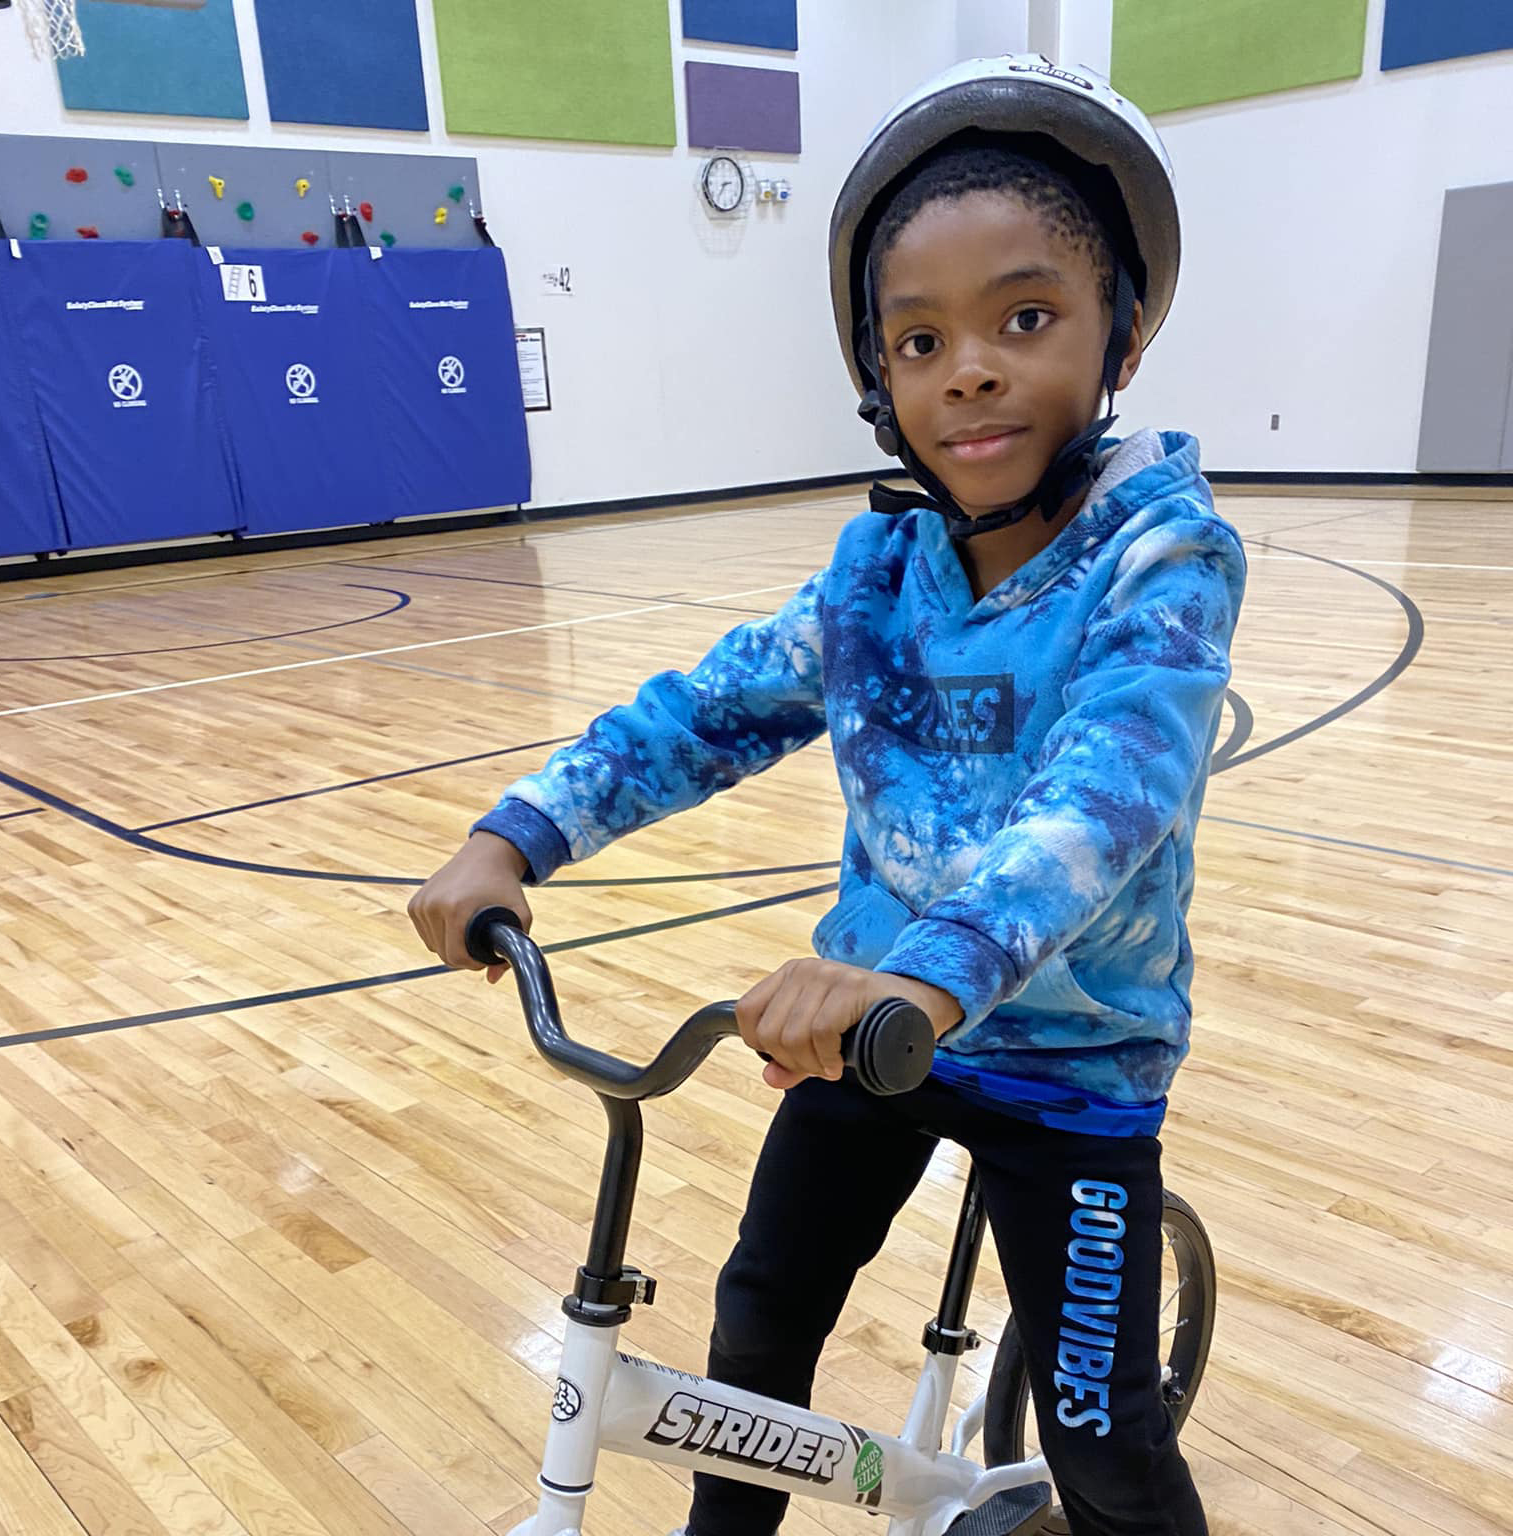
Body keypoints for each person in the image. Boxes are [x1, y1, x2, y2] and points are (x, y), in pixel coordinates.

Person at [409, 54, 1245, 1536]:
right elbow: (707, 710)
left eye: (1026, 317)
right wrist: (512, 835)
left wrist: (923, 983)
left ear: (1120, 337)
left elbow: (1102, 808)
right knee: (756, 1323)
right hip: (882, 1030)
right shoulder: (876, 578)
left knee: (1106, 1447)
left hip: (1072, 1063)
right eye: (920, 340)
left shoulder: (1158, 557)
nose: (970, 368)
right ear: (881, 380)